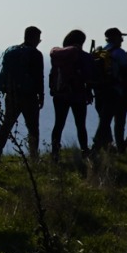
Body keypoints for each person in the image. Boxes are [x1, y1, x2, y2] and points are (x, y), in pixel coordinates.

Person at [0, 26, 45, 160]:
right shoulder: (35, 54)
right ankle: (34, 156)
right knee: (33, 127)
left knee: (7, 125)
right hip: (29, 96)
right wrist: (41, 95)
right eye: (39, 39)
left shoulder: (12, 51)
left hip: (11, 94)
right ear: (35, 38)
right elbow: (39, 77)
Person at [48, 30, 94, 159]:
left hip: (60, 94)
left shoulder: (59, 55)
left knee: (58, 124)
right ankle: (85, 151)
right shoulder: (84, 56)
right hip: (78, 94)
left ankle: (55, 152)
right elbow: (88, 77)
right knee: (80, 125)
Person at [90, 28, 127, 153]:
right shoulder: (119, 53)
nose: (122, 40)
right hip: (113, 90)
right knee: (106, 120)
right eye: (120, 37)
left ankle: (107, 146)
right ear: (115, 38)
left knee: (104, 118)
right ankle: (96, 147)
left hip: (99, 89)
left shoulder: (100, 51)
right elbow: (126, 70)